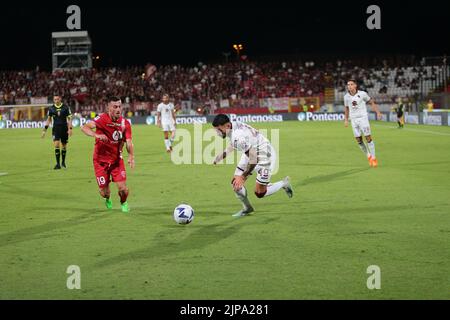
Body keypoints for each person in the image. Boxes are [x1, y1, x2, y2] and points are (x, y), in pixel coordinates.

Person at [212, 114, 293, 217]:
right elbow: (234, 143)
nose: (217, 133)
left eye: (219, 129)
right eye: (216, 130)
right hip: (251, 151)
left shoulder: (238, 136)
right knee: (236, 184)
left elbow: (253, 158)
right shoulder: (233, 127)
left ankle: (283, 183)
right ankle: (247, 208)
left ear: (227, 125)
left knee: (259, 193)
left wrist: (243, 176)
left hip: (265, 156)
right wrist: (222, 155)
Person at [81, 96, 135, 213]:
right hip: (100, 161)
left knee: (123, 190)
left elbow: (129, 142)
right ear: (108, 108)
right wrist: (97, 135)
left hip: (116, 161)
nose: (118, 109)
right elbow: (84, 127)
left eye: (120, 106)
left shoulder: (125, 124)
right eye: (115, 107)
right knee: (104, 193)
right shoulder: (101, 119)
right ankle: (107, 198)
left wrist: (131, 156)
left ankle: (123, 202)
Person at [344, 79, 382, 167]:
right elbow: (346, 108)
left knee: (368, 138)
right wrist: (346, 119)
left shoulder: (362, 94)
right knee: (359, 140)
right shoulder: (346, 97)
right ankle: (368, 156)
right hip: (353, 120)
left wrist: (378, 112)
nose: (349, 86)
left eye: (351, 84)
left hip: (363, 118)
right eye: (348, 84)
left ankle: (374, 158)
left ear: (355, 85)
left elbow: (371, 102)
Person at [41, 95, 72, 169]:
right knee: (56, 145)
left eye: (57, 99)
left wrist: (70, 128)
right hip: (56, 129)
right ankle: (58, 164)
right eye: (55, 99)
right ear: (53, 100)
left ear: (60, 99)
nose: (56, 100)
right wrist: (44, 130)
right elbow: (49, 120)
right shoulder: (51, 108)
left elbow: (69, 118)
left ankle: (63, 163)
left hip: (64, 128)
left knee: (64, 146)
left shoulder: (66, 107)